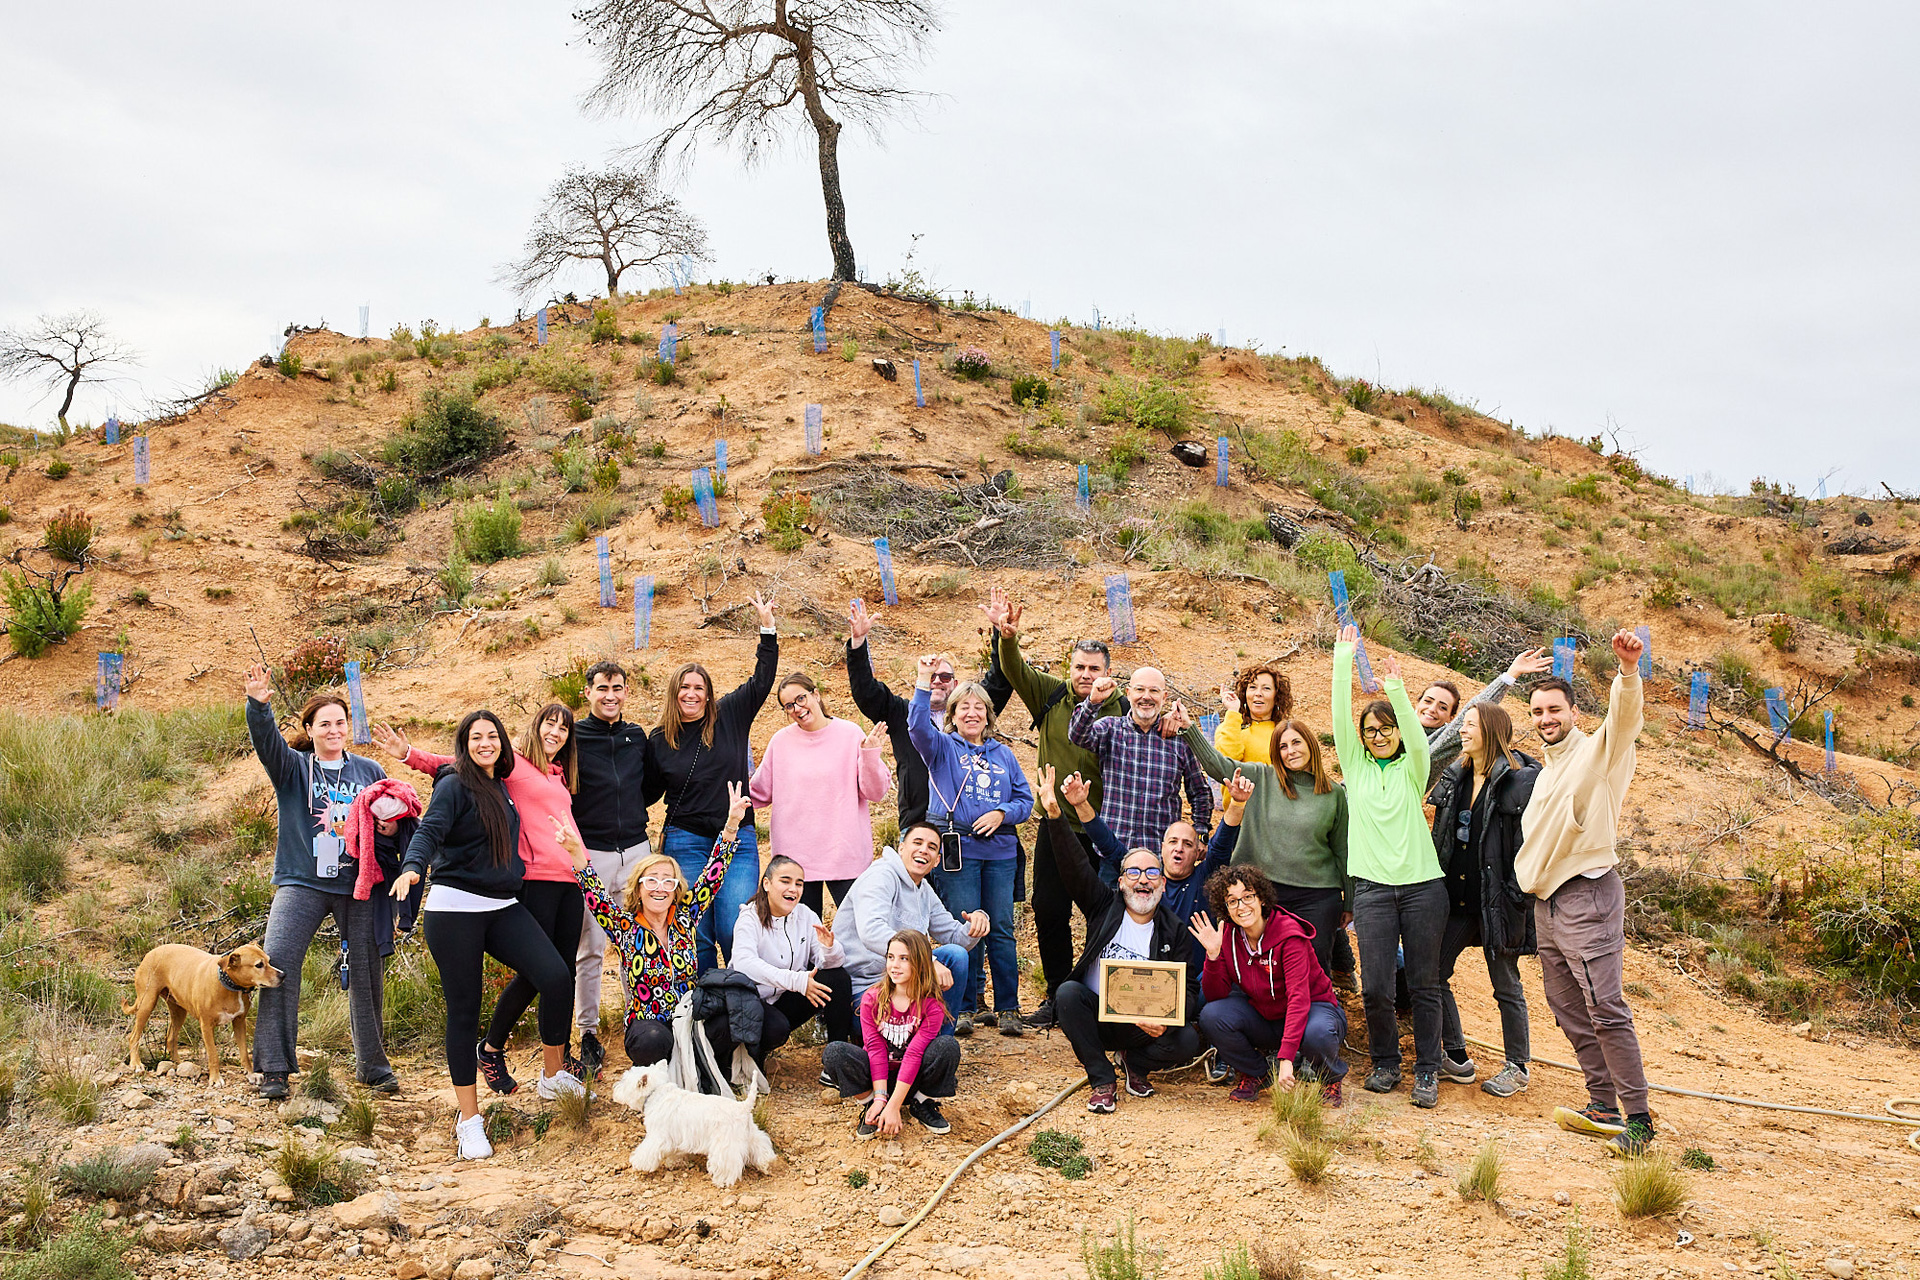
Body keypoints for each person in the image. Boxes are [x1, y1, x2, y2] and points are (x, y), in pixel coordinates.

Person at [391, 710, 579, 1162]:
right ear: (465, 744)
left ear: (503, 743)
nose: (485, 743)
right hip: (455, 908)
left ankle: (552, 1077)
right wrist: (414, 868)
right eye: (475, 737)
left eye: (491, 736)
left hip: (501, 904)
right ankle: (469, 1121)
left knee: (555, 975)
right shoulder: (455, 785)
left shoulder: (503, 784)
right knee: (464, 1010)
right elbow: (431, 831)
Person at [1515, 632, 1653, 1156]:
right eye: (1537, 710)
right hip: (1548, 904)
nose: (1546, 718)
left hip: (1587, 894)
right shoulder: (1547, 772)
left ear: (1574, 711)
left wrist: (1627, 670)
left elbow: (1625, 720)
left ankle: (1638, 1121)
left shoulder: (1599, 752)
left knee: (1604, 1006)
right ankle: (1602, 1105)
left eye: (1554, 709)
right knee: (1568, 1005)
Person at [242, 665, 396, 1099]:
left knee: (367, 971)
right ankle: (274, 1068)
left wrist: (389, 830)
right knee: (277, 965)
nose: (333, 729)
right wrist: (259, 705)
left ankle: (373, 1067)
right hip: (301, 881)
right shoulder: (294, 768)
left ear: (349, 728)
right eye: (324, 723)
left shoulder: (369, 769)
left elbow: (389, 817)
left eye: (340, 723)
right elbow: (266, 744)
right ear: (309, 729)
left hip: (358, 882)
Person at [981, 586, 1125, 1028]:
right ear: (1070, 669)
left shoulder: (1120, 707)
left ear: (1107, 672)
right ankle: (1058, 996)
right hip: (1055, 824)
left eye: (1094, 669)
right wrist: (1006, 637)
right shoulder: (1050, 694)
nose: (1085, 675)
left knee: (1105, 916)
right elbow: (1013, 669)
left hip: (1103, 828)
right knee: (1048, 910)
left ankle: (1098, 996)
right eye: (1079, 667)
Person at [1036, 767, 1203, 1115]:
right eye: (1134, 872)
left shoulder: (1174, 929)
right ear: (1122, 881)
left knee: (1187, 1037)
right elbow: (1075, 866)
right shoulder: (1104, 905)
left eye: (1152, 873)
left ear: (1161, 884)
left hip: (1143, 1026)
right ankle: (1102, 1079)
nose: (1143, 880)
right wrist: (1055, 813)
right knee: (1067, 994)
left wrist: (1167, 1019)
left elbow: (1187, 990)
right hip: (1097, 1016)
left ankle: (1135, 1064)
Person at [551, 782, 750, 1069]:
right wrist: (575, 852)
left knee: (731, 1025)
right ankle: (667, 1070)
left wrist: (731, 824)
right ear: (639, 889)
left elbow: (713, 875)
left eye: (667, 881)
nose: (660, 888)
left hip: (689, 1019)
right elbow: (594, 894)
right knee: (653, 1042)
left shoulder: (685, 917)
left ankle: (697, 1064)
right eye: (652, 880)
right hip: (648, 1026)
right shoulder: (624, 926)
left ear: (675, 888)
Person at [1332, 625, 1447, 1109]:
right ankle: (1385, 1062)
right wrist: (1343, 659)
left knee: (1423, 983)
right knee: (1377, 985)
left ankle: (1427, 1070)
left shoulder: (1412, 768)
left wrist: (1397, 691)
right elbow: (1340, 718)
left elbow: (1421, 741)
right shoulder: (1355, 769)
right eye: (1370, 732)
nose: (1378, 736)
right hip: (1373, 890)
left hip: (1423, 889)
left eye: (1386, 729)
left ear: (1398, 733)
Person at [651, 592, 779, 974]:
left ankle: (739, 1004)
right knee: (695, 933)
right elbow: (645, 791)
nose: (691, 694)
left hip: (736, 840)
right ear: (675, 693)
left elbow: (761, 680)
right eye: (684, 688)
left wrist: (767, 630)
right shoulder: (660, 739)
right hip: (685, 840)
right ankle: (703, 1011)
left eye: (698, 688)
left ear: (708, 694)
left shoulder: (730, 715)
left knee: (734, 926)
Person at [907, 654, 1034, 1038]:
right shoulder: (942, 747)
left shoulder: (1003, 754)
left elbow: (1025, 800)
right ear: (953, 713)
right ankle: (963, 1007)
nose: (972, 712)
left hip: (999, 853)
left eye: (979, 707)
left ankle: (1008, 1007)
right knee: (963, 930)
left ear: (989, 715)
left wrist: (1002, 813)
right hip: (957, 850)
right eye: (964, 706)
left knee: (1000, 928)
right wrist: (922, 681)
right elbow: (915, 726)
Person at [1180, 713, 1351, 978]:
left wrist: (1349, 900)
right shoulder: (1261, 777)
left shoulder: (1333, 793)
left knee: (1314, 966)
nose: (1290, 751)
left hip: (1316, 894)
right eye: (1283, 746)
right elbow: (1218, 766)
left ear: (1310, 744)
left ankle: (1318, 1015)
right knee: (1262, 965)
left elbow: (1342, 849)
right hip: (1264, 890)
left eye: (1296, 743)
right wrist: (1189, 729)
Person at [1429, 704, 1540, 1099]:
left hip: (1498, 902)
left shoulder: (1520, 781)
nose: (1462, 731)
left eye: (1469, 725)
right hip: (1456, 899)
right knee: (1431, 973)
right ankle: (1457, 1057)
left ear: (1490, 730)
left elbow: (1531, 842)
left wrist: (1517, 893)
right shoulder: (1455, 775)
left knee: (1505, 985)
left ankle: (1518, 1066)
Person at [569, 660, 663, 1075]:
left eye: (618, 688)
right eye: (602, 688)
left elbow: (649, 785)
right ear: (587, 691)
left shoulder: (635, 736)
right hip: (593, 853)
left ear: (626, 692)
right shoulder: (573, 736)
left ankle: (637, 1019)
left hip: (637, 851)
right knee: (591, 946)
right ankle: (587, 1031)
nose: (610, 696)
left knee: (637, 944)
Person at [1190, 866, 1347, 1105]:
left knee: (1318, 1033)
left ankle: (1330, 1078)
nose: (1241, 906)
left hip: (1313, 1010)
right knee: (1212, 1015)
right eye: (1232, 901)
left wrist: (1286, 1059)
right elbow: (1216, 995)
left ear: (1261, 898)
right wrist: (1213, 956)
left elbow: (1299, 998)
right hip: (1267, 1014)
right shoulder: (1230, 936)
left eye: (1248, 896)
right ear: (1225, 907)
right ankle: (1257, 1072)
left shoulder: (1290, 936)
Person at [748, 673, 892, 914]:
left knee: (859, 932)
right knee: (801, 937)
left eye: (801, 698)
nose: (797, 708)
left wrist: (870, 755)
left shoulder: (850, 733)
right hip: (795, 857)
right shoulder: (780, 742)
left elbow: (875, 792)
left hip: (845, 852)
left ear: (816, 694)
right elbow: (758, 792)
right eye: (789, 706)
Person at [835, 823, 990, 1019]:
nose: (924, 850)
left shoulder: (924, 890)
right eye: (917, 842)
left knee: (955, 955)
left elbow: (954, 938)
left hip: (906, 982)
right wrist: (925, 961)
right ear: (901, 848)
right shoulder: (880, 876)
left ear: (936, 861)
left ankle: (938, 1043)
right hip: (866, 989)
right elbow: (871, 931)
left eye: (932, 847)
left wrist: (976, 922)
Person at [820, 930, 961, 1138]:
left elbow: (914, 1054)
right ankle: (871, 1107)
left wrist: (895, 1105)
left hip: (913, 1079)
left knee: (948, 1047)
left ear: (921, 962)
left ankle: (921, 1102)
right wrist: (880, 1099)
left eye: (904, 959)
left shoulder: (932, 1006)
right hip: (878, 1078)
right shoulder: (872, 998)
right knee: (834, 1052)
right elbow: (875, 1050)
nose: (895, 965)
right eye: (891, 957)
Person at [1068, 668, 1214, 857]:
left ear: (1164, 696)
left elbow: (1200, 792)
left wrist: (1200, 832)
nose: (1146, 697)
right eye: (1139, 690)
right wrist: (1093, 701)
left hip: (1161, 854)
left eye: (1154, 691)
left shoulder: (1179, 740)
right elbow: (1077, 735)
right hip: (1114, 849)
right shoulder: (1110, 729)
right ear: (1128, 694)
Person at [725, 855, 857, 1058]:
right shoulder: (749, 918)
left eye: (799, 883)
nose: (793, 889)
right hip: (751, 1004)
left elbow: (831, 964)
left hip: (784, 999)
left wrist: (829, 949)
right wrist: (797, 981)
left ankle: (836, 1059)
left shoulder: (805, 915)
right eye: (785, 881)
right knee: (776, 1029)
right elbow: (744, 964)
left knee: (837, 978)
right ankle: (747, 1053)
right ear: (767, 884)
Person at [846, 599, 957, 828]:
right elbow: (866, 692)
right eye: (931, 676)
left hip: (964, 823)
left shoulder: (969, 716)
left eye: (944, 677)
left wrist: (1000, 636)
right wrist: (858, 644)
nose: (937, 682)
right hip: (917, 821)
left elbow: (996, 686)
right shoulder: (901, 713)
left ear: (955, 683)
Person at [1411, 648, 1553, 794]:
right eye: (1427, 701)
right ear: (1417, 703)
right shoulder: (1396, 729)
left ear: (1451, 718)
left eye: (1443, 707)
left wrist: (1510, 676)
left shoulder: (1441, 745)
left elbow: (1469, 714)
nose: (1432, 709)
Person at [1213, 664, 1293, 766]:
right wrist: (1233, 711)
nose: (1258, 693)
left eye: (1266, 688)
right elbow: (1225, 764)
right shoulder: (1229, 727)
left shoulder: (1285, 732)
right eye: (1253, 687)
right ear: (1244, 694)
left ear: (1277, 696)